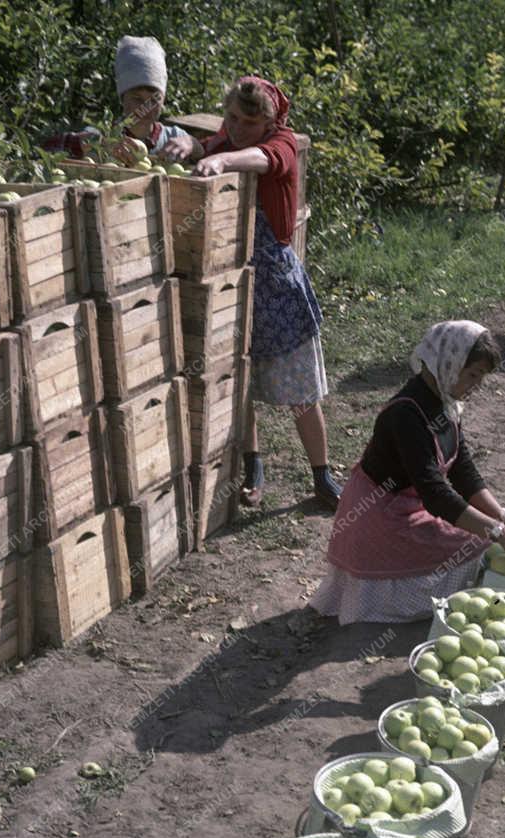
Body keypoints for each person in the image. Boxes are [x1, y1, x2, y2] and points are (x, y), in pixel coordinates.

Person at [179, 76, 341, 512]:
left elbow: (265, 159)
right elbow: (209, 147)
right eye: (231, 118)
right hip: (231, 279)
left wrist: (225, 159)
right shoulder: (226, 139)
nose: (237, 129)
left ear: (268, 123)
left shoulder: (281, 143)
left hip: (274, 283)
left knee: (300, 387)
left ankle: (323, 476)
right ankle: (253, 468)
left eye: (249, 123)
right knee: (240, 379)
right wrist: (192, 150)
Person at [311, 321, 505, 625]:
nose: (476, 386)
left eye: (481, 378)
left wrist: (500, 516)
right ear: (448, 363)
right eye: (472, 375)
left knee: (490, 533)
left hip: (409, 506)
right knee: (481, 544)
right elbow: (435, 493)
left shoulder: (446, 402)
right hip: (379, 518)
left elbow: (462, 469)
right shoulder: (405, 414)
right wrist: (498, 531)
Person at [43, 36, 188, 163]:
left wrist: (192, 144)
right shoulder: (103, 137)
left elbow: (205, 150)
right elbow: (46, 149)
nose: (145, 107)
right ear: (122, 98)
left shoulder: (174, 137)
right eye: (137, 98)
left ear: (164, 99)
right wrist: (91, 144)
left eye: (154, 99)